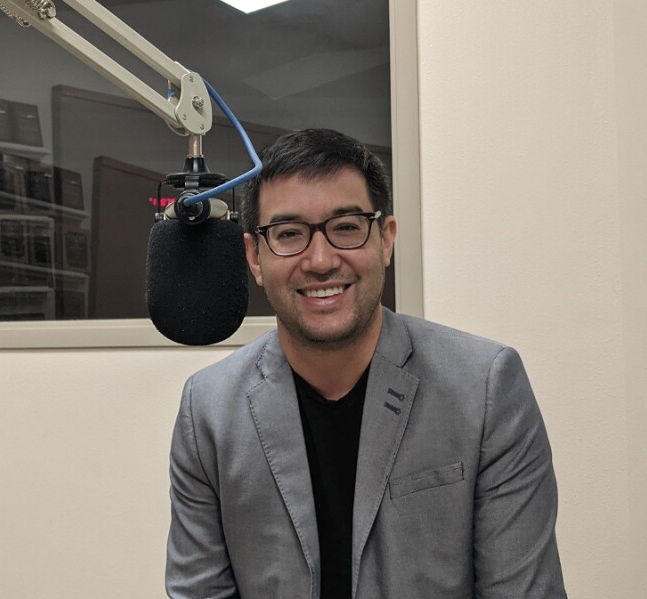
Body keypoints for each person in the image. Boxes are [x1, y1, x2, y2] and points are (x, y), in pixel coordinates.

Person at [166, 129, 567, 598]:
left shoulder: (486, 390)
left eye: (347, 227)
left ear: (386, 240)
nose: (319, 260)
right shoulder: (209, 411)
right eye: (289, 233)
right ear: (255, 257)